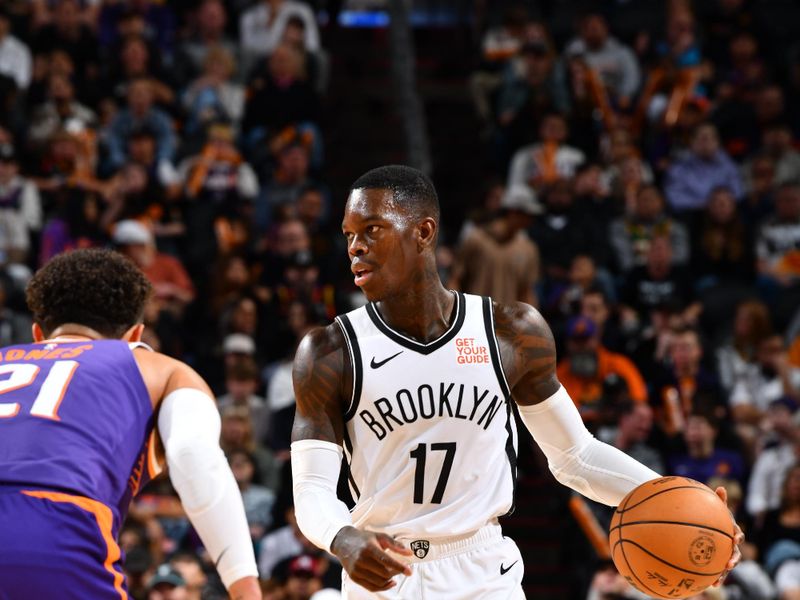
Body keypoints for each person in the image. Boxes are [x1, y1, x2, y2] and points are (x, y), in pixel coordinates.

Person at [289, 165, 742, 598]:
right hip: (382, 571)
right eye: (349, 235)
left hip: (483, 569)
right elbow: (311, 489)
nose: (355, 247)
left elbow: (575, 456)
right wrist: (342, 538)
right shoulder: (329, 351)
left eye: (372, 229)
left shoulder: (511, 332)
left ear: (424, 232)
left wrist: (688, 507)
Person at [0, 248, 259, 599]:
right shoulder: (160, 370)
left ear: (37, 335)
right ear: (136, 337)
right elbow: (195, 459)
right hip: (55, 534)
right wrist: (245, 587)